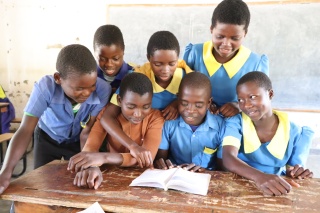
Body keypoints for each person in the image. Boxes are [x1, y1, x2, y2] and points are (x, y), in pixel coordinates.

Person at [0, 44, 111, 194]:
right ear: (58, 78)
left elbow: (88, 131)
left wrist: (90, 163)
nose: (87, 93)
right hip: (47, 139)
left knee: (79, 186)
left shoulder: (103, 89)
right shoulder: (45, 88)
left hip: (79, 141)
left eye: (91, 86)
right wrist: (6, 172)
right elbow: (26, 130)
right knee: (42, 186)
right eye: (79, 88)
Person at [99, 31, 193, 168]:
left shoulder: (186, 80)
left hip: (174, 147)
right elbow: (107, 117)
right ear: (148, 58)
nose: (165, 70)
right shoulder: (138, 78)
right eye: (158, 64)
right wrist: (133, 146)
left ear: (178, 59)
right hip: (141, 144)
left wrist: (178, 102)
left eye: (172, 63)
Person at [222, 71, 314, 196]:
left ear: (270, 94)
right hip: (237, 187)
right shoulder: (236, 123)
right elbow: (228, 158)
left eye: (252, 97)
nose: (246, 105)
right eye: (240, 100)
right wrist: (260, 177)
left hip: (273, 191)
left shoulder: (296, 133)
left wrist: (297, 173)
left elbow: (291, 171)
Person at [67, 72, 164, 189]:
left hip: (142, 183)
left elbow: (144, 159)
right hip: (110, 179)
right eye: (131, 106)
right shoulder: (106, 114)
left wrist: (103, 158)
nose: (138, 114)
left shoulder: (156, 118)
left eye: (146, 107)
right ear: (119, 100)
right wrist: (92, 167)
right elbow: (90, 148)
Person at [183, 0, 269, 117]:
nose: (226, 44)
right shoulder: (195, 53)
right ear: (211, 29)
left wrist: (238, 106)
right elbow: (181, 88)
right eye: (220, 36)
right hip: (198, 117)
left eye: (235, 38)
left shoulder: (255, 63)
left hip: (234, 120)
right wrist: (202, 103)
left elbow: (261, 101)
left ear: (245, 33)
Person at [155, 72, 225, 171]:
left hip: (208, 179)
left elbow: (223, 168)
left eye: (198, 105)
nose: (190, 110)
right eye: (184, 103)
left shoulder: (220, 126)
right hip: (175, 176)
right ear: (178, 98)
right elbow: (160, 159)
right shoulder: (169, 123)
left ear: (209, 103)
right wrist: (162, 165)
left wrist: (206, 173)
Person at [93, 24, 134, 93]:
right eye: (103, 59)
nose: (109, 64)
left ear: (123, 50)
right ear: (94, 52)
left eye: (115, 59)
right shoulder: (89, 76)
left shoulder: (132, 77)